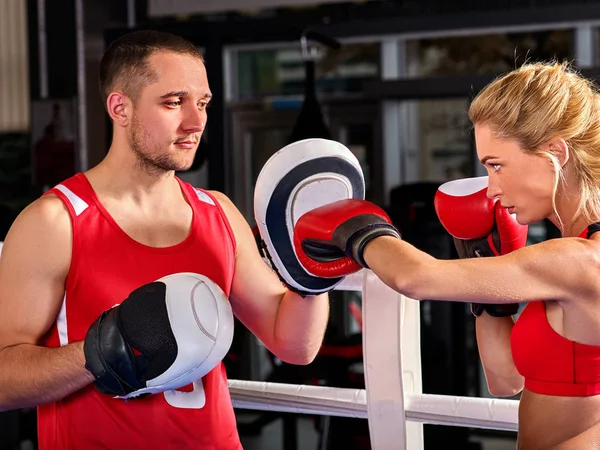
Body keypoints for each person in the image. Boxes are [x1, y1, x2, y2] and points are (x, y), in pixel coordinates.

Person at [0, 30, 330, 449]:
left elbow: (293, 345)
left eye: (203, 103)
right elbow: (4, 381)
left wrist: (313, 274)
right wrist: (102, 352)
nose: (196, 122)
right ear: (120, 108)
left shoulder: (219, 213)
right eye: (174, 102)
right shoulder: (56, 221)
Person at [294, 61, 600, 449]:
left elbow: (417, 278)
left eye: (496, 166)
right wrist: (488, 284)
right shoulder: (566, 259)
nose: (490, 189)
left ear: (555, 152)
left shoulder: (581, 260)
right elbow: (505, 378)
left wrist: (359, 230)